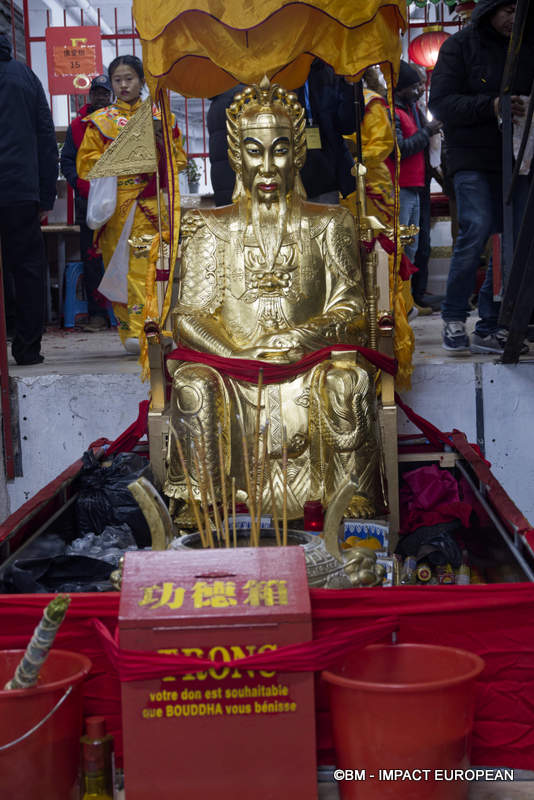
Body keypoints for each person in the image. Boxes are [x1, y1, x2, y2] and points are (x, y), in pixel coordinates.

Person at [165, 78, 384, 524]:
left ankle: (351, 496)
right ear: (235, 156)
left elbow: (351, 307)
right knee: (192, 385)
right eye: (254, 150)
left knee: (347, 382)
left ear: (298, 154)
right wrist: (236, 351)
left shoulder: (329, 222)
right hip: (235, 365)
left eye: (280, 149)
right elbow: (190, 313)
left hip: (309, 360)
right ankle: (202, 502)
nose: (267, 166)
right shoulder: (212, 228)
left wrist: (297, 336)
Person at [429, 0, 534, 354]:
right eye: (507, 10)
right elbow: (440, 103)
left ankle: (491, 322)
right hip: (471, 155)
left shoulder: (525, 47)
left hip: (518, 156)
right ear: (489, 9)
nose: (513, 19)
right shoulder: (459, 46)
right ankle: (454, 315)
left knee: (512, 239)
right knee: (477, 226)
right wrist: (490, 106)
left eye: (519, 12)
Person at [76, 55, 186, 354]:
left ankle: (153, 328)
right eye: (117, 80)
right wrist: (116, 160)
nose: (124, 85)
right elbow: (85, 164)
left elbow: (179, 159)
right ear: (111, 84)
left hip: (152, 204)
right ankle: (132, 332)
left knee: (152, 268)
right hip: (119, 208)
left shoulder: (161, 117)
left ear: (141, 80)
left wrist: (161, 149)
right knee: (122, 271)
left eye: (129, 79)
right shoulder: (101, 121)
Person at [207, 59, 357, 205]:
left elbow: (348, 124)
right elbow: (226, 157)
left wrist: (350, 83)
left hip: (321, 181)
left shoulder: (321, 71)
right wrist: (230, 204)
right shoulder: (237, 92)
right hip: (269, 192)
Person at [0, 31, 58, 365]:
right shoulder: (24, 76)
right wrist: (46, 194)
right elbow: (45, 136)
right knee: (27, 269)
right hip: (20, 191)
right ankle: (27, 348)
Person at [389, 61, 442, 316]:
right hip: (401, 186)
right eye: (415, 86)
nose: (420, 90)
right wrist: (427, 132)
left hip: (417, 185)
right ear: (401, 89)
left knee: (415, 247)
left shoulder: (412, 108)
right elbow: (398, 149)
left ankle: (410, 300)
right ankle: (401, 302)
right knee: (403, 247)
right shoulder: (392, 112)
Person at [60, 74, 112, 332]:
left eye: (105, 93)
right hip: (87, 202)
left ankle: (126, 316)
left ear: (110, 97)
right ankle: (98, 315)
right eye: (97, 93)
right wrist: (80, 184)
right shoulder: (78, 125)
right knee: (92, 260)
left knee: (121, 257)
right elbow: (67, 161)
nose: (101, 98)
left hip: (118, 202)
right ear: (90, 96)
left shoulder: (119, 123)